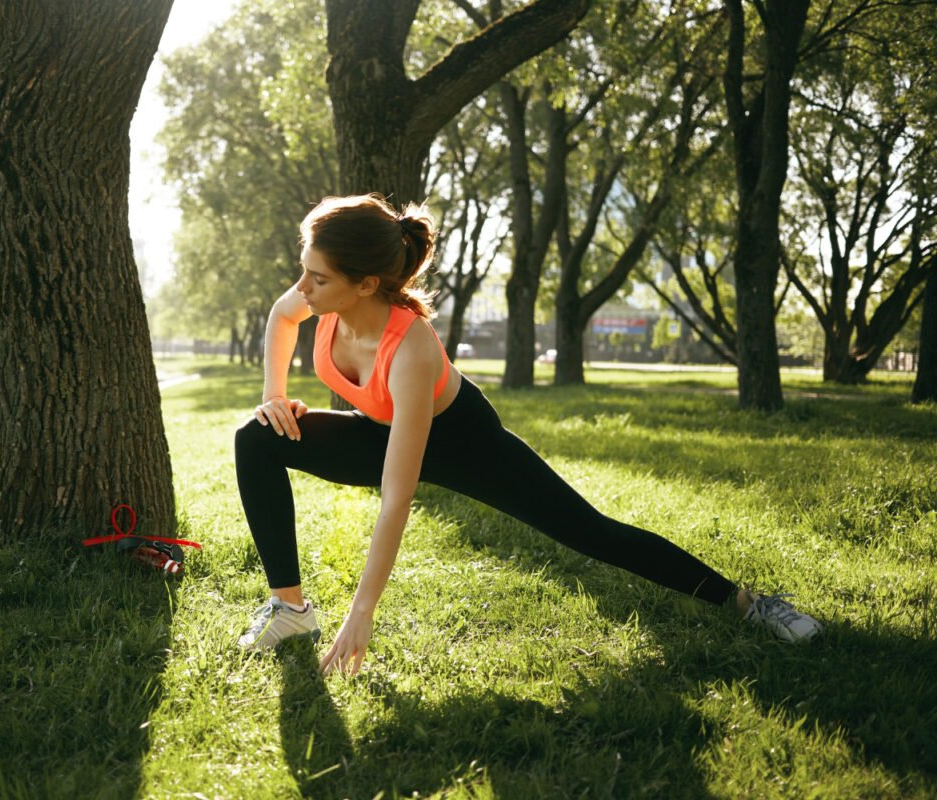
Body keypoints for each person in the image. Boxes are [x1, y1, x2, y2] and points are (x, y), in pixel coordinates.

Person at [234, 194, 822, 676]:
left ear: (364, 285)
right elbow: (282, 319)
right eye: (304, 273)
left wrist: (362, 611)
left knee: (593, 534)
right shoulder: (321, 299)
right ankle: (290, 608)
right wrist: (273, 396)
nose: (302, 289)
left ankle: (749, 604)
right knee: (256, 436)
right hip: (380, 429)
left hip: (466, 443)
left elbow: (397, 497)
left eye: (316, 279)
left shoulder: (410, 348)